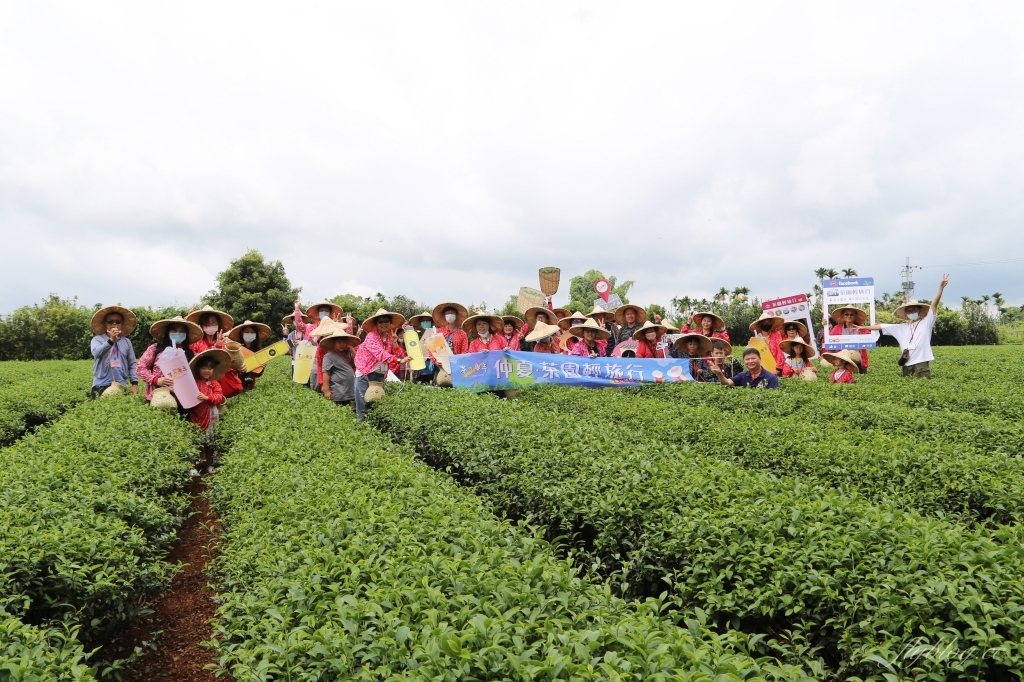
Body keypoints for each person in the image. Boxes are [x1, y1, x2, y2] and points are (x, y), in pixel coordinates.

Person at [852, 275, 949, 379]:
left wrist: (941, 288)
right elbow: (881, 326)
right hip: (906, 364)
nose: (911, 312)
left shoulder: (926, 323)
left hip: (921, 363)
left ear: (919, 310)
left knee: (923, 387)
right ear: (906, 313)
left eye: (914, 310)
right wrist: (864, 328)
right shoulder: (902, 327)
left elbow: (934, 305)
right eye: (909, 311)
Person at [354, 308, 410, 420]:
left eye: (386, 321)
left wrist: (395, 343)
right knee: (364, 405)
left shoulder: (389, 338)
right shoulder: (371, 336)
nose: (384, 324)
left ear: (390, 323)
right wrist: (399, 361)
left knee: (377, 403)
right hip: (366, 374)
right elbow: (381, 354)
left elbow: (399, 354)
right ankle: (362, 427)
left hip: (379, 374)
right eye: (380, 322)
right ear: (376, 324)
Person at [137, 316, 202, 409]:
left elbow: (198, 374)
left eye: (181, 331)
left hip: (183, 400)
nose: (178, 333)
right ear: (168, 332)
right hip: (157, 397)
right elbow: (140, 368)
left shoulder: (191, 354)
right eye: (174, 330)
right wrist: (156, 380)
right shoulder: (155, 348)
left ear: (186, 334)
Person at [186, 305, 244, 397]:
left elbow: (229, 360)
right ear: (201, 325)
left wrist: (239, 365)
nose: (210, 326)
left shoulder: (224, 341)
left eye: (213, 323)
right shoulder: (196, 342)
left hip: (221, 374)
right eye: (207, 323)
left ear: (218, 324)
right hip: (202, 376)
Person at [188, 348, 229, 472]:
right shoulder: (194, 383)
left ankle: (209, 464)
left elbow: (219, 397)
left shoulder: (215, 383)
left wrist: (207, 397)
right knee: (195, 441)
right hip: (196, 416)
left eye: (210, 368)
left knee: (210, 442)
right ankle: (193, 466)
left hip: (211, 416)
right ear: (198, 369)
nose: (207, 371)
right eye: (203, 368)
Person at [89, 305, 139, 398]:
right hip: (101, 384)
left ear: (122, 324)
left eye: (118, 321)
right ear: (105, 323)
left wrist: (134, 384)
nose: (114, 324)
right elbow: (96, 353)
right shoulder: (97, 340)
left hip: (120, 385)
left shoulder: (126, 342)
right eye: (110, 321)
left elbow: (132, 364)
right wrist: (111, 340)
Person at [226, 320, 272, 391]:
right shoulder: (235, 348)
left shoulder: (257, 349)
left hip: (249, 385)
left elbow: (258, 374)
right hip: (236, 383)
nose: (250, 334)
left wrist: (261, 367)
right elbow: (228, 367)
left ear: (256, 334)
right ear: (242, 333)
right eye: (247, 332)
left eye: (252, 332)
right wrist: (238, 368)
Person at [320, 327, 359, 407]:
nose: (342, 344)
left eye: (344, 342)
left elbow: (357, 364)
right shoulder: (329, 356)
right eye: (339, 342)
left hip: (350, 392)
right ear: (334, 343)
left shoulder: (348, 354)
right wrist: (327, 391)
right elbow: (326, 373)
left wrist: (353, 351)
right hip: (338, 393)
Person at [825, 307, 870, 374]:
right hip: (844, 361)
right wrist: (824, 326)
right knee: (845, 380)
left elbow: (869, 339)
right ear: (843, 316)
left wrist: (873, 329)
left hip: (859, 360)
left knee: (862, 379)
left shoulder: (861, 327)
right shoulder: (837, 328)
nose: (849, 316)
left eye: (852, 314)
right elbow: (830, 341)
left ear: (855, 316)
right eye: (846, 314)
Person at [710, 347, 780, 389]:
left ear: (760, 359)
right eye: (747, 359)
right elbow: (727, 382)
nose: (750, 361)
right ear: (744, 361)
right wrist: (719, 374)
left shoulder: (771, 377)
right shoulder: (742, 376)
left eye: (753, 358)